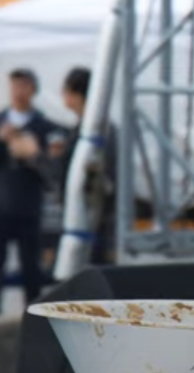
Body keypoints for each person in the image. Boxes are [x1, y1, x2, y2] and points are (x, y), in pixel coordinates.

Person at [0, 67, 61, 315]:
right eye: (15, 86)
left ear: (33, 90)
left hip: (28, 203)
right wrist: (0, 139)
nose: (19, 92)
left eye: (24, 87)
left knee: (30, 263)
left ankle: (33, 311)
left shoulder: (43, 126)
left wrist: (33, 154)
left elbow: (52, 164)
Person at [45, 66, 118, 265]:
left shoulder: (96, 133)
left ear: (76, 95)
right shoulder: (87, 130)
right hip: (88, 219)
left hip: (92, 221)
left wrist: (42, 157)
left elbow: (82, 177)